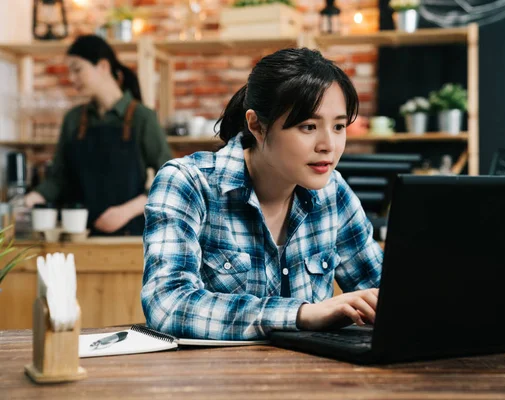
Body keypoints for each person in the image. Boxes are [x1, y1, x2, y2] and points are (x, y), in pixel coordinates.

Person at [142, 48, 383, 340]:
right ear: (256, 124)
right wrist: (301, 314)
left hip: (314, 378)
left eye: (339, 126)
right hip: (214, 382)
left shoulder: (334, 192)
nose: (329, 145)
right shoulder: (188, 183)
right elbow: (167, 305)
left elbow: (386, 292)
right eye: (308, 126)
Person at [25, 35, 171, 236]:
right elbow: (59, 178)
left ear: (102, 66)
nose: (72, 78)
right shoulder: (73, 119)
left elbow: (170, 181)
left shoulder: (142, 117)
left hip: (130, 236)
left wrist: (125, 211)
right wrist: (30, 199)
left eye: (77, 69)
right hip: (78, 236)